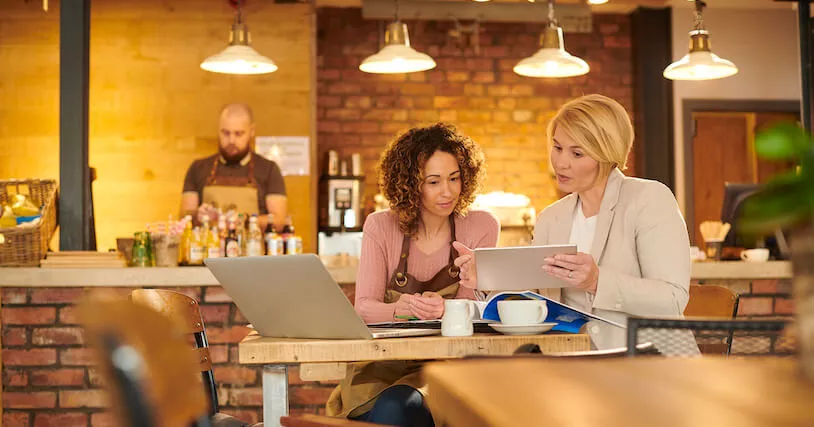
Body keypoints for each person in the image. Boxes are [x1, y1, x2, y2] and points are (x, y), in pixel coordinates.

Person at [454, 94, 691, 350]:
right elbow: (536, 301)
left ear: (606, 153)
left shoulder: (649, 199)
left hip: (647, 363)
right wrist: (487, 281)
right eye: (557, 148)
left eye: (577, 153)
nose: (561, 162)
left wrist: (597, 281)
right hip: (572, 363)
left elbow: (673, 299)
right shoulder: (551, 218)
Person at [325, 123, 500, 426]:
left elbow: (478, 310)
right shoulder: (380, 226)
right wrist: (398, 308)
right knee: (388, 407)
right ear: (409, 183)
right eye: (433, 182)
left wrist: (448, 309)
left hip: (445, 366)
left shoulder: (482, 226)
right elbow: (364, 308)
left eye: (454, 178)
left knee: (397, 407)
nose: (447, 192)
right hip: (380, 367)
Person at [181, 103, 287, 230]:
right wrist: (198, 215)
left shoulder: (269, 170)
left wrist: (246, 220)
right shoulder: (198, 168)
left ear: (251, 131)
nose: (231, 140)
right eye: (225, 133)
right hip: (210, 248)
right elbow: (184, 217)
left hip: (252, 248)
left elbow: (279, 221)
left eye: (238, 134)